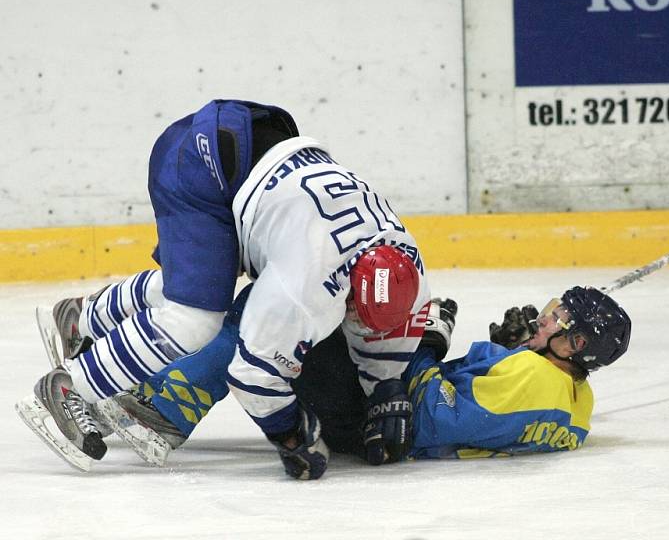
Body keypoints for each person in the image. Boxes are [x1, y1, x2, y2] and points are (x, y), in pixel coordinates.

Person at [16, 99, 431, 480]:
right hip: (205, 162)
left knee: (201, 290)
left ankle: (86, 316)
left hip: (254, 149)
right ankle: (69, 386)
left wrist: (386, 390)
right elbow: (252, 375)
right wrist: (291, 434)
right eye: (355, 310)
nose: (356, 321)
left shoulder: (405, 263)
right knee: (193, 319)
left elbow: (386, 337)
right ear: (349, 286)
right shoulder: (310, 278)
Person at [98, 284, 630, 467]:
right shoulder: (575, 401)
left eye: (558, 319)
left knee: (275, 316)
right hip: (386, 417)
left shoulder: (534, 379)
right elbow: (495, 409)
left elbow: (432, 413)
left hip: (376, 421)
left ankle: (163, 409)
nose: (544, 316)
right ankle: (154, 392)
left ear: (577, 344)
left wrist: (424, 343)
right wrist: (510, 351)